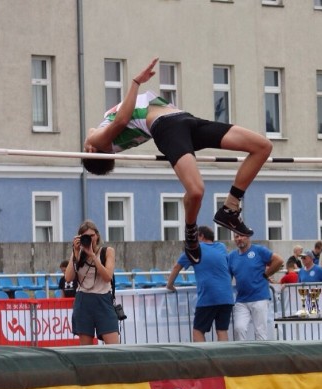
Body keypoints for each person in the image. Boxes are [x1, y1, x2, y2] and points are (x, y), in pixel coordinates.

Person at [82, 57, 273, 265]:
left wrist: (90, 140)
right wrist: (136, 82)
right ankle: (191, 232)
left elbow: (94, 130)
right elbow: (120, 120)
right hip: (167, 127)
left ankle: (230, 208)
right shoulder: (100, 141)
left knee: (262, 147)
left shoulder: (98, 135)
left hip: (187, 120)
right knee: (197, 190)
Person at [165, 226, 234, 342]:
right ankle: (223, 359)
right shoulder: (221, 247)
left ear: (201, 236)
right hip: (226, 296)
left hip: (208, 296)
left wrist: (169, 285)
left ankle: (204, 359)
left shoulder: (194, 249)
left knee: (198, 331)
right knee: (222, 330)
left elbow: (177, 267)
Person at [64, 220, 120, 345]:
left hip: (103, 300)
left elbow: (107, 277)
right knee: (87, 351)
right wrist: (75, 253)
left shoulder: (107, 251)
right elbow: (68, 278)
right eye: (85, 237)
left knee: (114, 348)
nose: (89, 239)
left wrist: (93, 256)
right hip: (83, 300)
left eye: (92, 236)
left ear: (97, 236)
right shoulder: (77, 253)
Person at [228, 234, 284, 340]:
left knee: (260, 331)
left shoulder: (258, 250)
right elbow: (227, 276)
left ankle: (261, 356)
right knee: (239, 328)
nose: (238, 239)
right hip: (241, 299)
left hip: (260, 297)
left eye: (241, 236)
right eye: (236, 236)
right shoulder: (231, 256)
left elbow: (279, 261)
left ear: (248, 237)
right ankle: (242, 355)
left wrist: (266, 274)